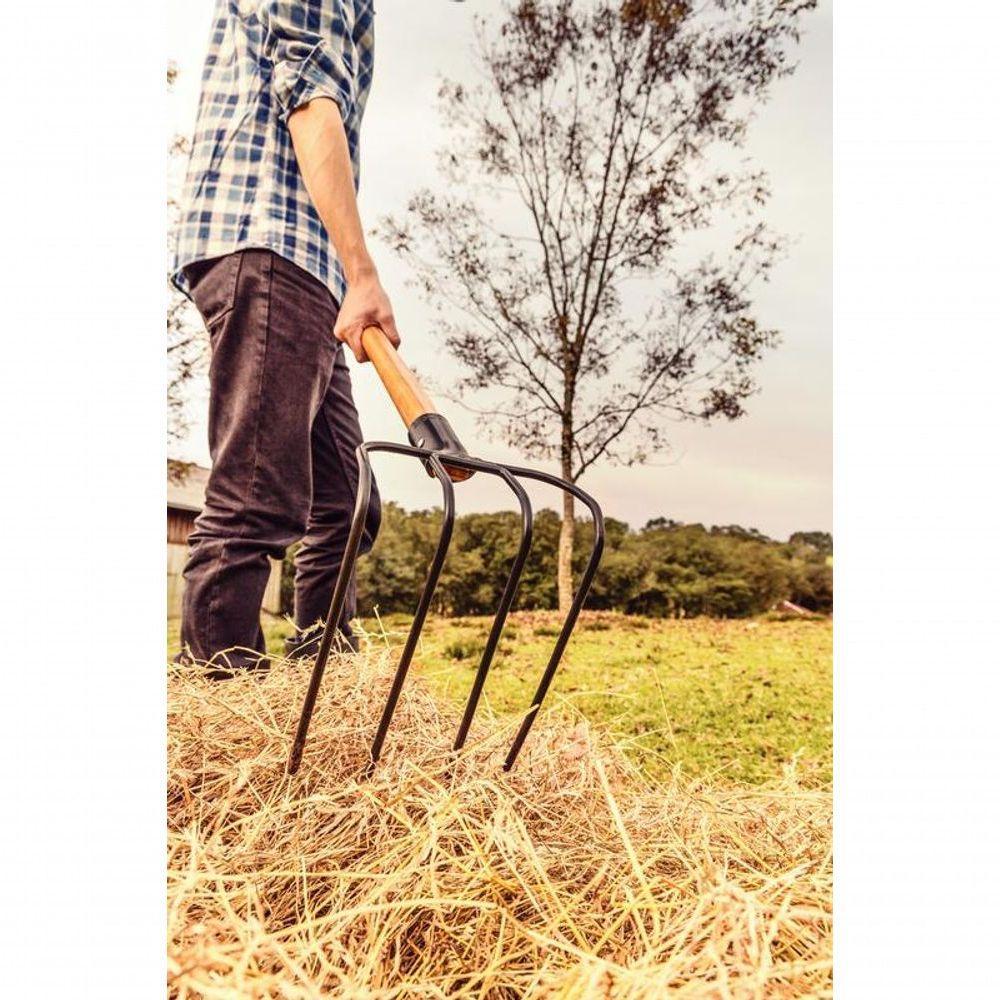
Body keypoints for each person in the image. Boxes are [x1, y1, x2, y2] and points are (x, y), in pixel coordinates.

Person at [171, 0, 389, 675]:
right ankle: (224, 711)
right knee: (257, 497)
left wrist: (344, 278)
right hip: (270, 245)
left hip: (311, 273)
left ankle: (322, 681)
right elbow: (310, 100)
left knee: (347, 503)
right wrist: (363, 271)